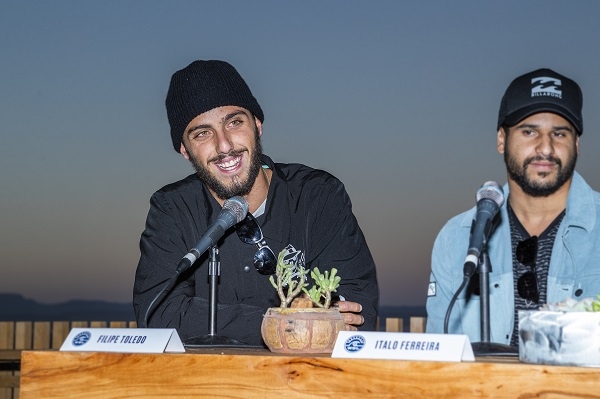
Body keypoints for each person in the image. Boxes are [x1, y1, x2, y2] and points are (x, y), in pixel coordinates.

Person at [133, 60, 379, 347]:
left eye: (234, 122)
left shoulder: (317, 196)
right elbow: (159, 314)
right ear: (185, 151)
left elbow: (358, 306)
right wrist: (282, 322)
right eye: (202, 133)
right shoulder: (173, 209)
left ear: (257, 125)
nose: (224, 145)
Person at [426, 68, 600, 347]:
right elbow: (437, 358)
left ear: (577, 144)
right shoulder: (457, 238)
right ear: (501, 140)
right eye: (529, 131)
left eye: (559, 133)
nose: (545, 147)